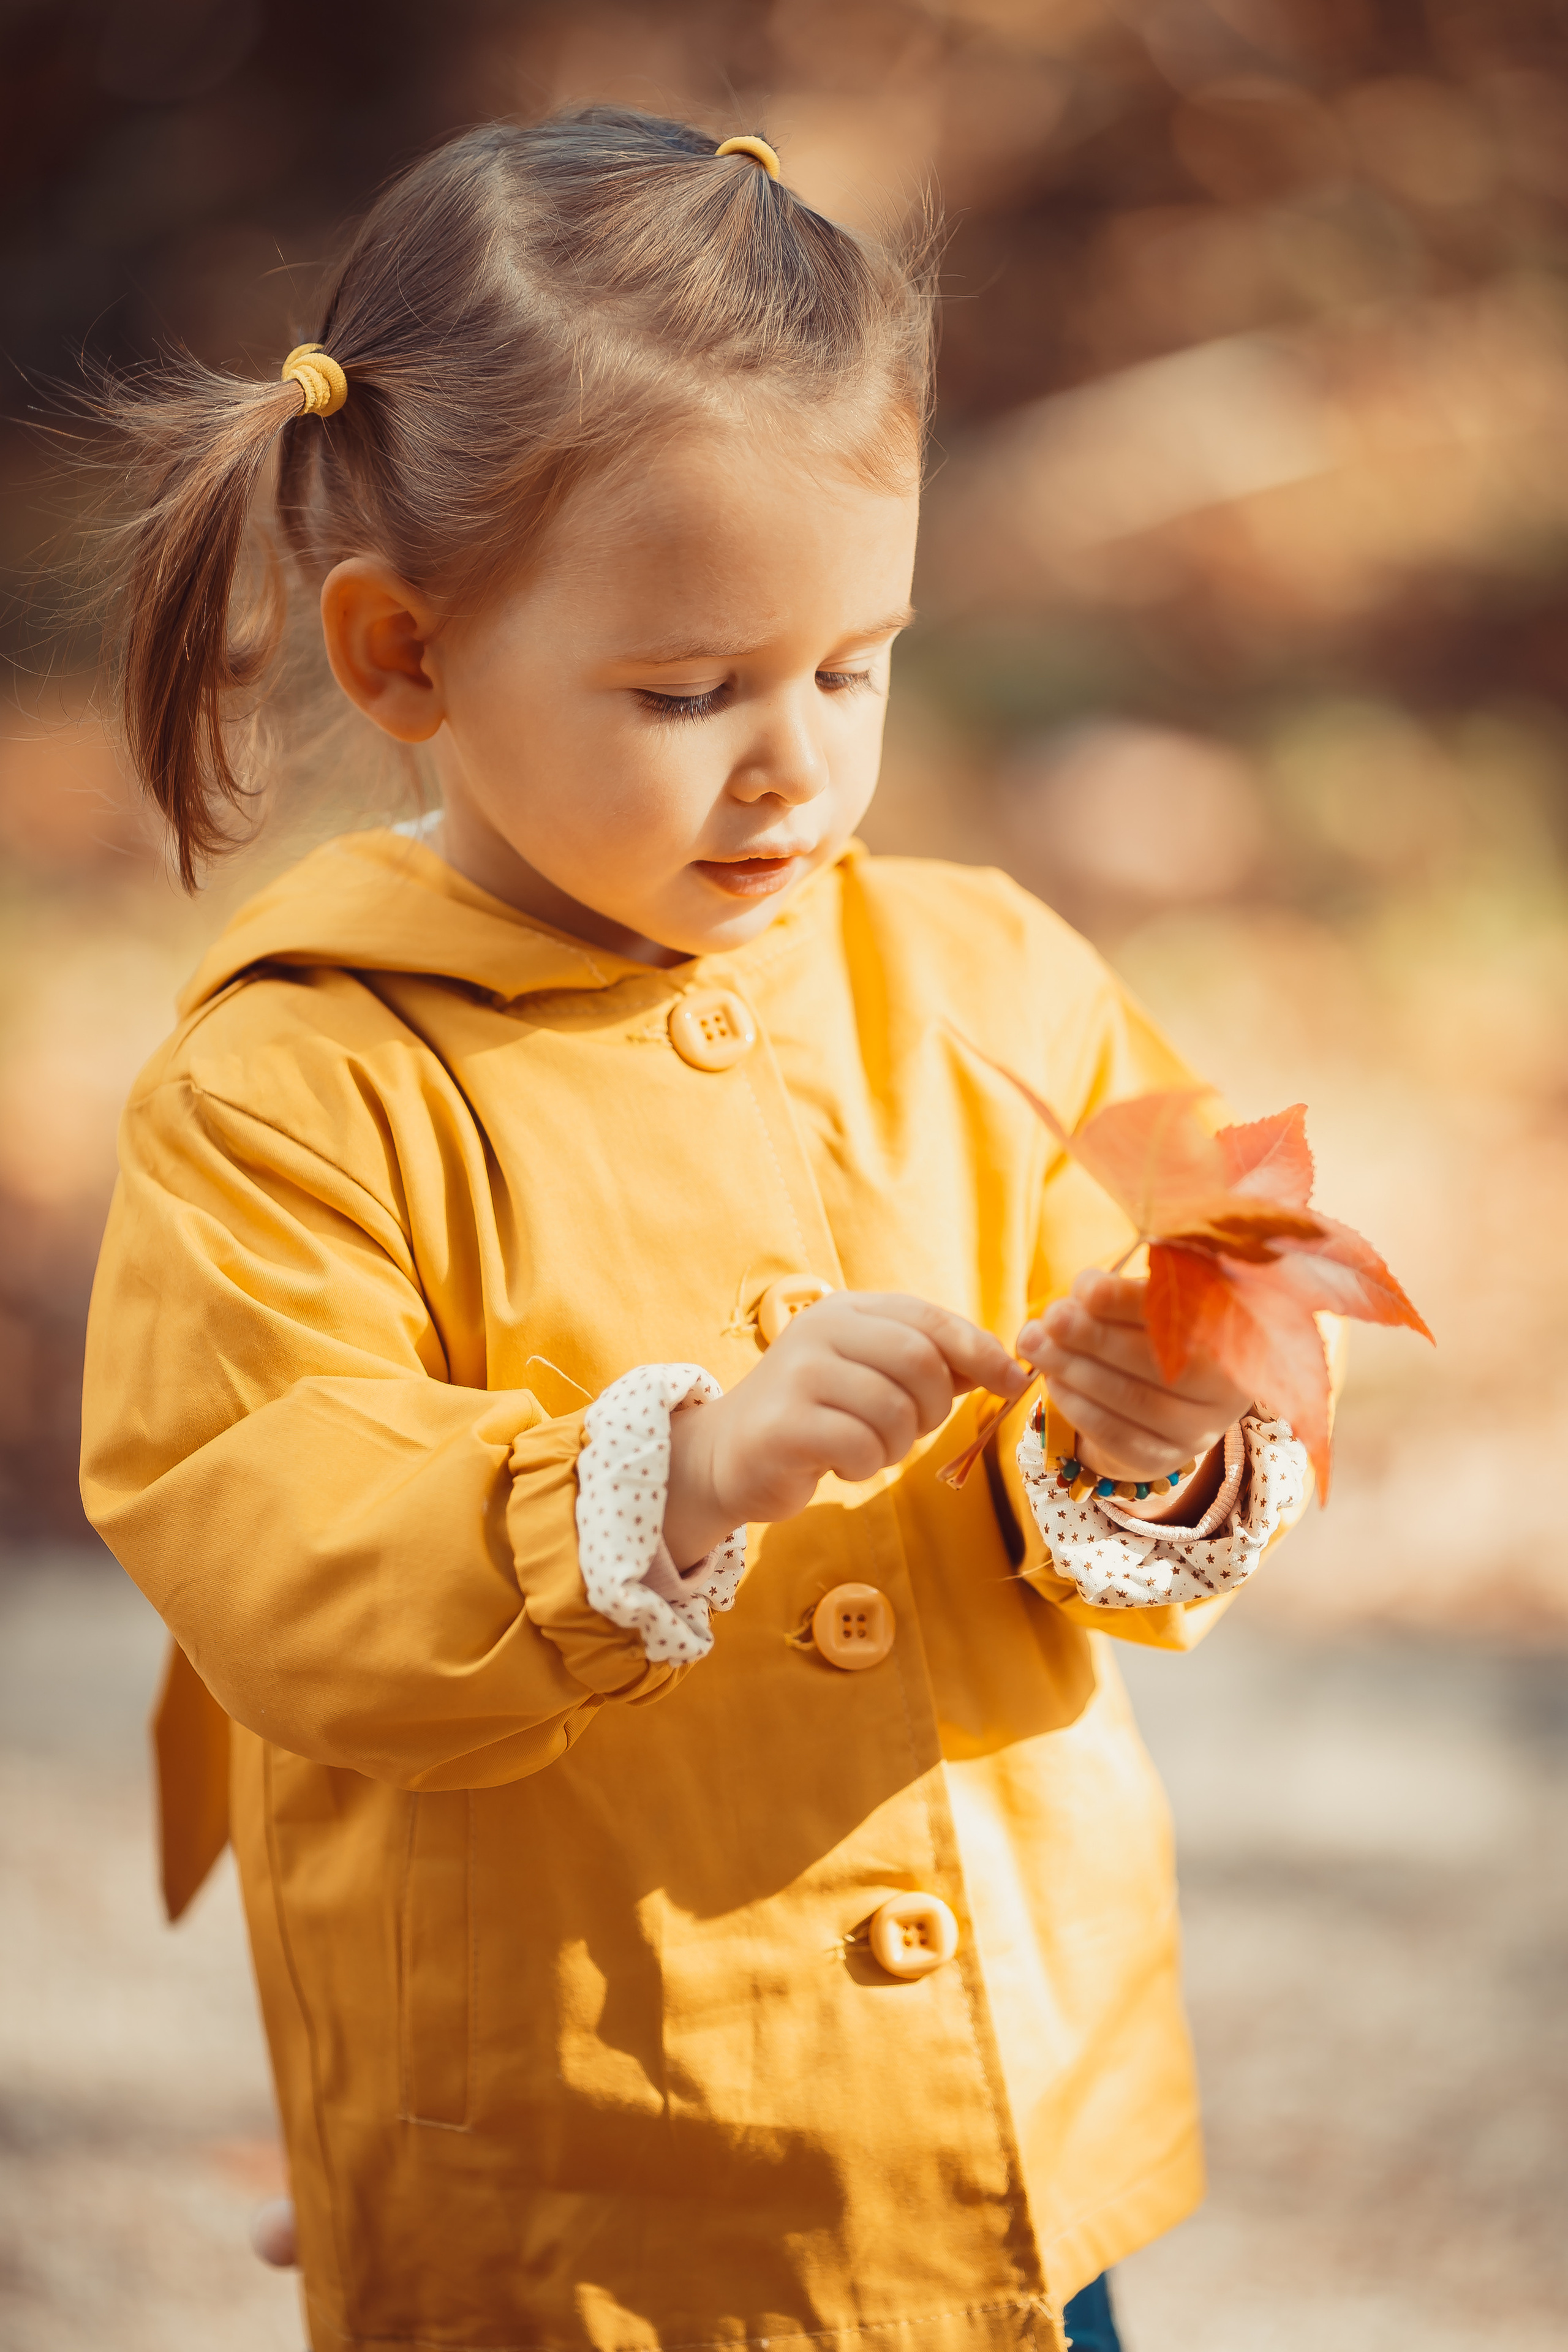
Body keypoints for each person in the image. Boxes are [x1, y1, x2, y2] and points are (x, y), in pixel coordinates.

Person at [80, 111, 1311, 2352]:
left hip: (1001, 2142)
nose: (799, 773)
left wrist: (1161, 1413)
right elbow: (268, 1524)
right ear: (404, 660)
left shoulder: (999, 978)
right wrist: (681, 1473)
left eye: (856, 665)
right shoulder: (302, 1086)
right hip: (579, 2172)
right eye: (687, 694)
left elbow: (1223, 1250)